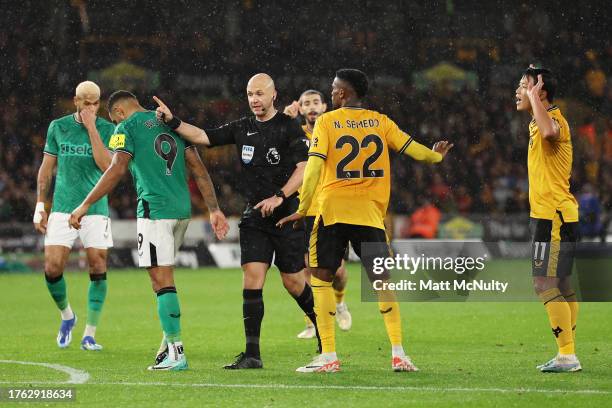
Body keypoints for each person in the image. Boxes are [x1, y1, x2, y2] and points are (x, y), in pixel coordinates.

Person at [278, 68, 452, 372]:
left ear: (344, 93)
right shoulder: (380, 121)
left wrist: (303, 207)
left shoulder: (327, 122)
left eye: (333, 90)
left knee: (320, 280)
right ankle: (399, 353)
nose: (330, 94)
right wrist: (436, 156)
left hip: (332, 212)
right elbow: (415, 150)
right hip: (370, 215)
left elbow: (314, 169)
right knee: (383, 283)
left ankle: (328, 357)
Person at [153, 73, 321, 370]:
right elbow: (204, 136)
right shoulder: (242, 128)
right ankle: (252, 354)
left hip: (287, 216)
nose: (254, 99)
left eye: (259, 94)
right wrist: (173, 121)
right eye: (249, 94)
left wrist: (280, 196)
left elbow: (304, 168)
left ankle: (326, 339)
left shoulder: (288, 127)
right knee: (252, 279)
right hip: (255, 217)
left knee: (293, 282)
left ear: (273, 95)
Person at [69, 90, 229, 371]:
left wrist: (84, 204)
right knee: (165, 279)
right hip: (181, 212)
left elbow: (116, 169)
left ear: (118, 112)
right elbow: (199, 169)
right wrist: (214, 209)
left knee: (161, 282)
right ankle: (167, 347)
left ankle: (176, 353)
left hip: (154, 211)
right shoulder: (171, 121)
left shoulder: (124, 128)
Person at [35, 81, 115, 351]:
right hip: (62, 207)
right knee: (52, 267)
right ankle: (67, 316)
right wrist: (39, 205)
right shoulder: (58, 127)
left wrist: (92, 128)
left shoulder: (108, 129)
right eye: (87, 102)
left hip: (96, 209)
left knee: (97, 263)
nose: (92, 107)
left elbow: (107, 167)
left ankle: (89, 334)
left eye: (96, 102)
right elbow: (46, 170)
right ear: (76, 101)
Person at [515, 65, 581, 372]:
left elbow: (550, 132)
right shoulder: (538, 121)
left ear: (540, 92)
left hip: (551, 215)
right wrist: (532, 85)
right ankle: (567, 352)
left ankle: (567, 355)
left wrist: (534, 94)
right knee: (563, 283)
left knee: (543, 283)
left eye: (525, 86)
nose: (518, 90)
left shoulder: (553, 120)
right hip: (558, 213)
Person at [285, 90, 352, 339]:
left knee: (338, 271)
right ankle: (312, 321)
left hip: (331, 208)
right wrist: (283, 120)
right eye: (306, 104)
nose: (311, 107)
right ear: (300, 109)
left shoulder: (334, 131)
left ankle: (340, 301)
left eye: (315, 103)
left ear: (324, 106)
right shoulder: (294, 134)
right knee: (306, 269)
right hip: (304, 210)